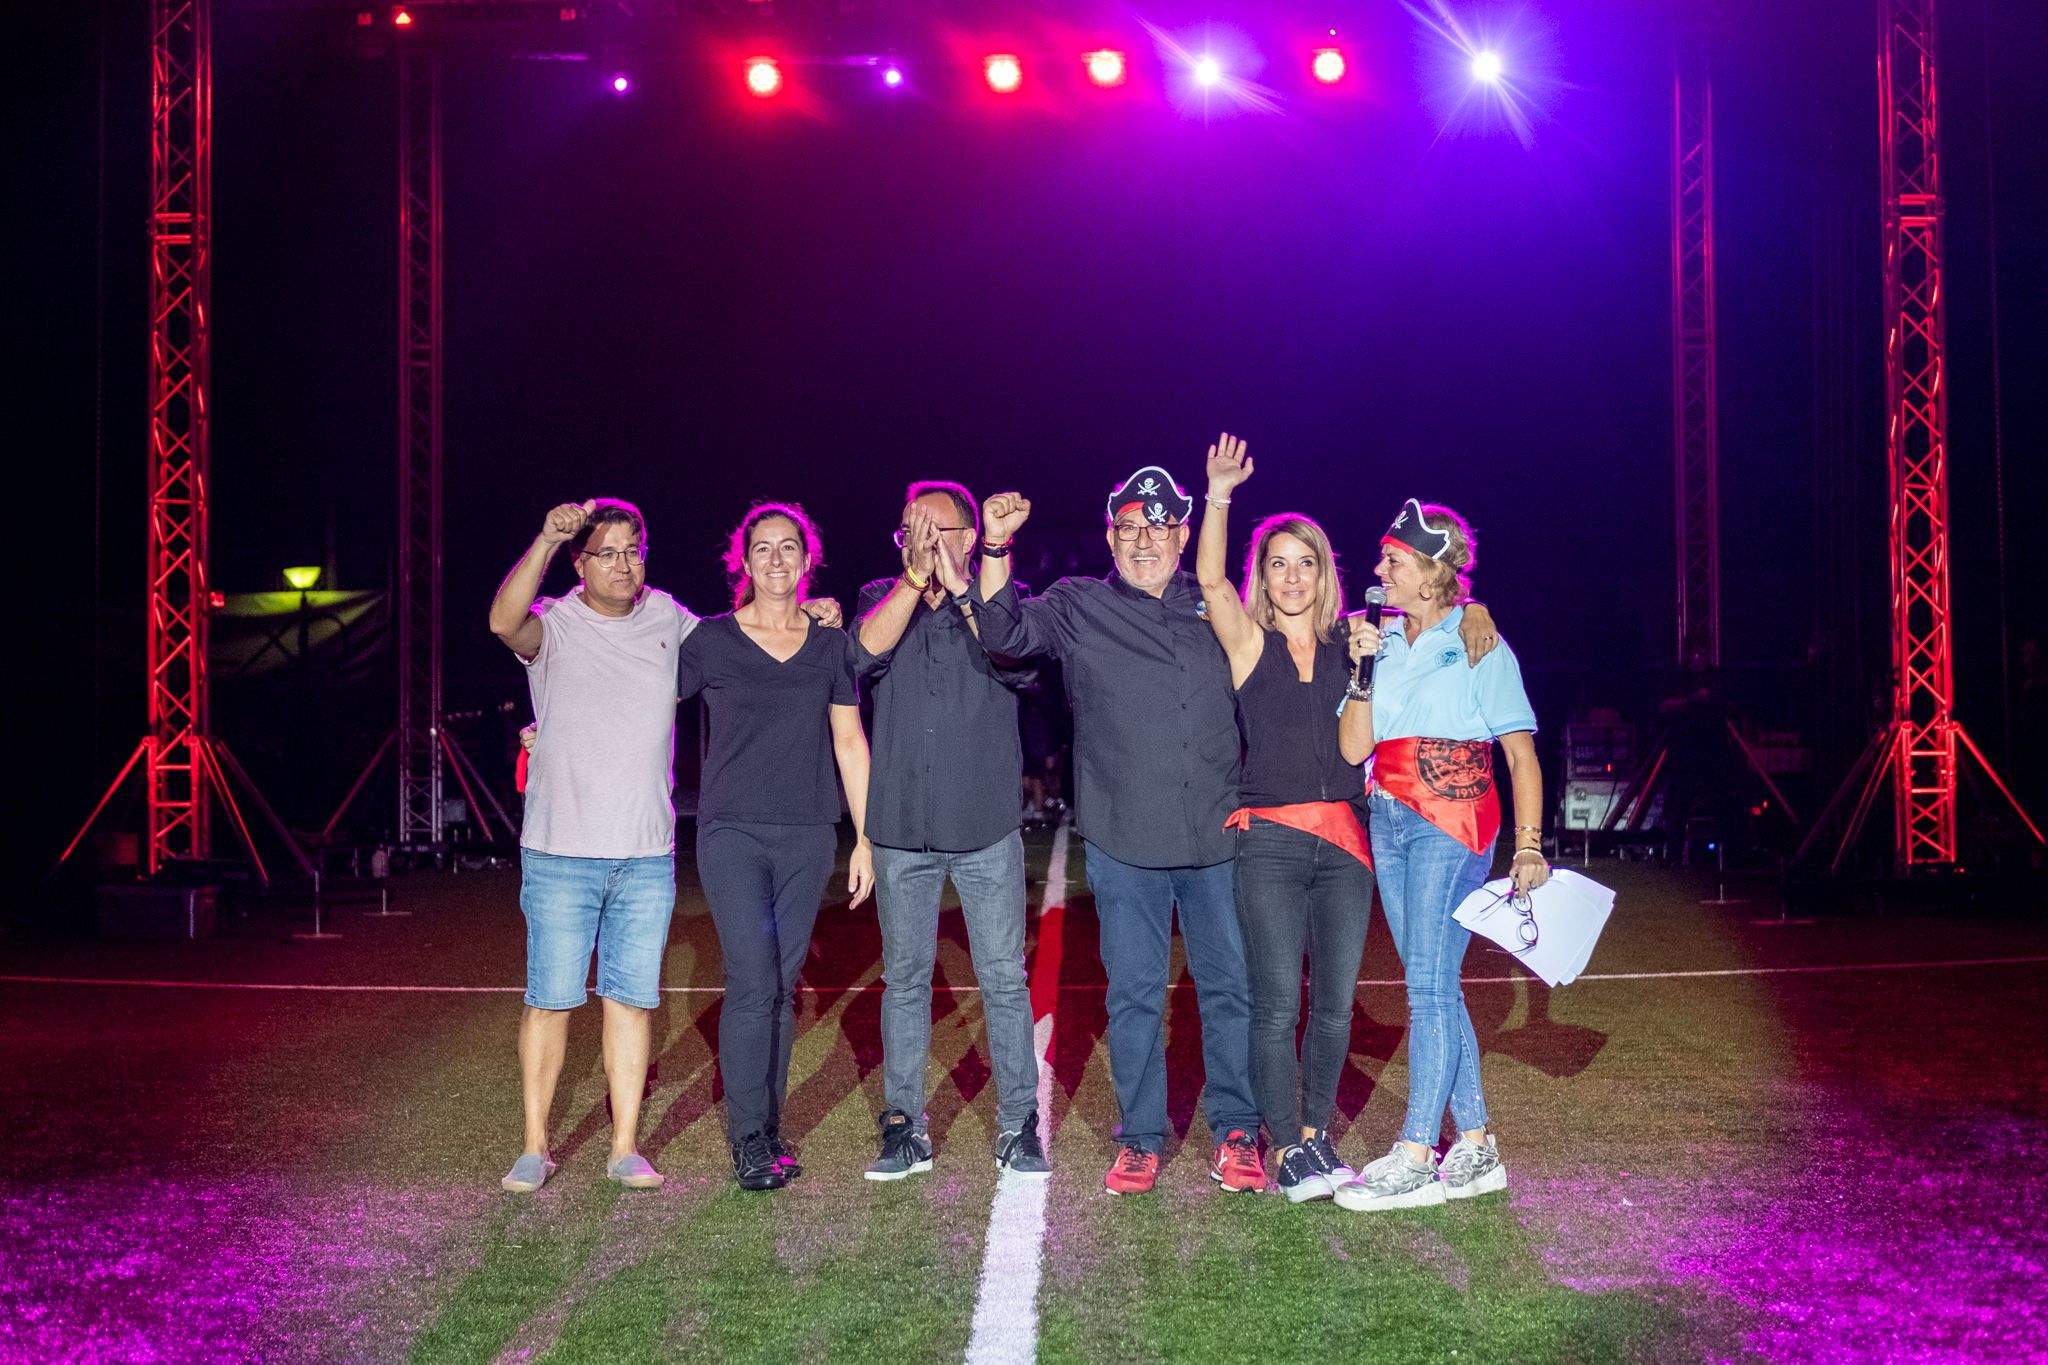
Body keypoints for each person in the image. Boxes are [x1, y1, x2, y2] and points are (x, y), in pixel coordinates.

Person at [972, 460, 1267, 1195]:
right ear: (1110, 535)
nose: (1144, 541)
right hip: (1124, 837)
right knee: (1134, 993)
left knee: (1229, 987)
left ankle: (1237, 1129)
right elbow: (1003, 630)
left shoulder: (1216, 601)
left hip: (1216, 833)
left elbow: (1301, 638)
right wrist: (996, 548)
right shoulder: (1076, 604)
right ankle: (1140, 1137)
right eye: (1130, 528)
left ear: (1182, 532)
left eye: (1159, 527)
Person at [1333, 498, 1549, 1211]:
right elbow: (1354, 749)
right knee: (1433, 980)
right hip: (1388, 818)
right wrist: (1361, 667)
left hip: (1453, 819)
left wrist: (1527, 845)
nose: (1378, 570)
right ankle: (1478, 1142)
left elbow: (1520, 752)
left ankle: (1419, 1149)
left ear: (1430, 574)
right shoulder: (1382, 642)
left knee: (1426, 985)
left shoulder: (1480, 640)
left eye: (1391, 559)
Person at [486, 498, 692, 1195]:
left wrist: (800, 612)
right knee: (549, 999)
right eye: (606, 551)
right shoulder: (556, 623)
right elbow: (501, 621)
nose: (623, 562)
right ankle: (534, 1145)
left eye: (633, 549)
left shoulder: (668, 616)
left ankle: (625, 1146)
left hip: (644, 852)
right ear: (580, 563)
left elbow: (739, 643)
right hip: (561, 851)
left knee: (631, 1000)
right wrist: (545, 535)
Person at [851, 481, 1048, 1181]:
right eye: (914, 527)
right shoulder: (882, 592)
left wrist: (964, 584)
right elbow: (860, 657)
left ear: (969, 536)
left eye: (942, 529)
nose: (928, 539)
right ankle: (904, 1127)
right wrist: (914, 579)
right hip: (901, 824)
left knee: (1002, 976)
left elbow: (1019, 663)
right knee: (904, 978)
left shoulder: (998, 599)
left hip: (984, 823)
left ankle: (1019, 1124)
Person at [679, 502, 875, 1192]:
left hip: (806, 835)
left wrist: (865, 837)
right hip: (731, 831)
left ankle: (767, 1128)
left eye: (788, 547)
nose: (775, 559)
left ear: (806, 558)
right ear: (744, 560)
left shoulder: (830, 645)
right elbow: (643, 707)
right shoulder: (710, 641)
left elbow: (850, 741)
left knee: (781, 989)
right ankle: (747, 1138)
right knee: (753, 980)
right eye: (762, 548)